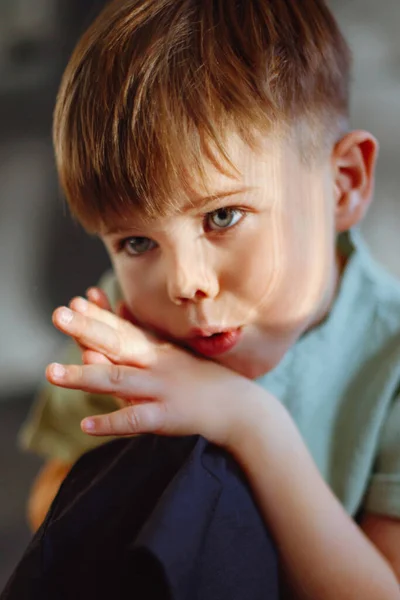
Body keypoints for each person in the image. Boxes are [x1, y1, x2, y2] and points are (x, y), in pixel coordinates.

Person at [16, 0, 400, 595]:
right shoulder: (123, 336)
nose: (183, 283)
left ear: (342, 184)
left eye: (223, 215)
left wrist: (249, 422)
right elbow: (53, 505)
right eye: (138, 241)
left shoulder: (392, 360)